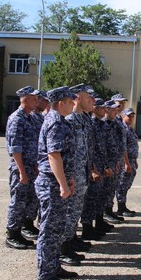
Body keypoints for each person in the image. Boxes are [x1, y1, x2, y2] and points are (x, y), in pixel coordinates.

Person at [34, 86, 78, 280]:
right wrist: (62, 184)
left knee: (57, 227)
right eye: (71, 101)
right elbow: (54, 156)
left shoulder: (60, 121)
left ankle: (53, 265)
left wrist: (68, 179)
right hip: (51, 183)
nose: (73, 104)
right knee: (50, 229)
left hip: (58, 182)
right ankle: (46, 272)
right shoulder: (55, 123)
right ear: (61, 103)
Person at [61, 84, 97, 265]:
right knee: (69, 212)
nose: (92, 101)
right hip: (72, 175)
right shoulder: (69, 120)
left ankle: (70, 241)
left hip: (81, 173)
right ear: (78, 98)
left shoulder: (82, 119)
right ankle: (63, 248)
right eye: (88, 97)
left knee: (75, 211)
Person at [5, 86, 40, 249]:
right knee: (18, 201)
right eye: (33, 99)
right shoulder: (16, 119)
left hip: (31, 167)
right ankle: (12, 234)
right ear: (24, 99)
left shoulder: (30, 118)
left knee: (30, 200)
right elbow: (15, 149)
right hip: (21, 168)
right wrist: (21, 172)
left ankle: (24, 227)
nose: (36, 101)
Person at [80, 97, 114, 240]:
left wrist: (107, 165)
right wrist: (93, 169)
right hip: (93, 167)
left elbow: (104, 147)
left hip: (101, 165)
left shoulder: (101, 124)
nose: (104, 110)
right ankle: (87, 228)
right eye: (101, 108)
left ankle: (96, 223)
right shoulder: (91, 124)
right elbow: (90, 150)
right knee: (90, 199)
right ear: (94, 109)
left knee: (98, 197)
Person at [22, 89, 50, 241]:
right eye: (43, 100)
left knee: (34, 198)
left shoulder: (39, 118)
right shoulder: (29, 117)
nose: (46, 103)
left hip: (36, 164)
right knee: (22, 199)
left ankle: (29, 223)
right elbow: (16, 147)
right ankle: (19, 228)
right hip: (28, 164)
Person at [102, 100, 124, 224]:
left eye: (116, 109)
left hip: (116, 160)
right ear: (107, 110)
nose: (116, 111)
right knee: (106, 188)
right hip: (107, 162)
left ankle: (109, 211)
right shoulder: (104, 124)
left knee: (112, 187)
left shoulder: (115, 122)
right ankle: (106, 212)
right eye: (113, 109)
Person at [117, 107, 139, 217]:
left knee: (127, 185)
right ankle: (120, 208)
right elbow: (123, 147)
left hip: (131, 160)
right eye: (128, 116)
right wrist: (126, 163)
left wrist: (134, 161)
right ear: (123, 116)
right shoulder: (123, 129)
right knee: (122, 185)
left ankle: (123, 206)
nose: (131, 118)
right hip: (126, 161)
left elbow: (132, 146)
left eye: (132, 116)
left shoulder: (130, 128)